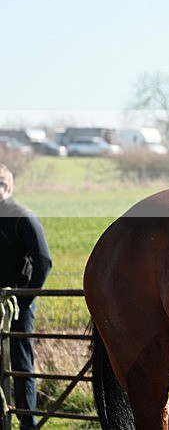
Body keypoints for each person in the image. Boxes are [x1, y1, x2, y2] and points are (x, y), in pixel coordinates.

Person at [0, 164, 52, 430]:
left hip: (16, 303)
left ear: (6, 187)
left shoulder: (23, 217)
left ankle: (27, 422)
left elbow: (44, 261)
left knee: (21, 363)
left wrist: (25, 299)